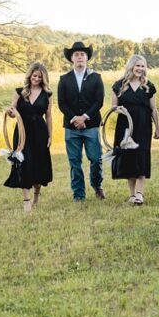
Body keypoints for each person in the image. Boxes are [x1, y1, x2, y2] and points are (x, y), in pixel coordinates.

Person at [56, 40, 106, 202]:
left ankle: (97, 185)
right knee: (74, 162)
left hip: (91, 125)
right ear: (71, 58)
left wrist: (84, 117)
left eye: (82, 54)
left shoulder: (96, 78)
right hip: (71, 127)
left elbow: (99, 101)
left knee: (95, 158)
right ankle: (78, 194)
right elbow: (61, 102)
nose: (79, 57)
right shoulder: (64, 79)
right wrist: (74, 118)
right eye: (76, 55)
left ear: (87, 58)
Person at [110, 53, 159, 205]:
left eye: (142, 66)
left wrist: (157, 129)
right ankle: (132, 194)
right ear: (131, 66)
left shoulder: (148, 86)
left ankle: (140, 193)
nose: (139, 69)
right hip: (125, 126)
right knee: (128, 158)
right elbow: (113, 107)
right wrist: (119, 109)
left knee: (141, 156)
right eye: (137, 65)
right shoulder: (119, 85)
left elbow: (153, 109)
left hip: (143, 126)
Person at [3, 61, 53, 212]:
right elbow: (13, 112)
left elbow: (49, 117)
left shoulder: (48, 95)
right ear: (30, 75)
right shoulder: (19, 92)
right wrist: (10, 112)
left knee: (39, 164)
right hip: (22, 132)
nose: (36, 79)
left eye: (39, 77)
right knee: (24, 164)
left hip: (40, 132)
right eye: (34, 75)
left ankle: (37, 195)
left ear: (43, 78)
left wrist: (50, 135)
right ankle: (26, 200)